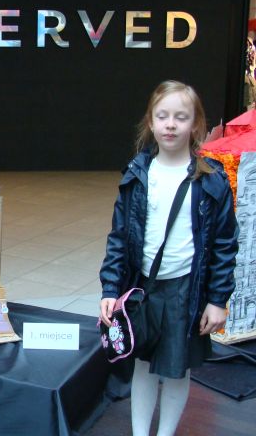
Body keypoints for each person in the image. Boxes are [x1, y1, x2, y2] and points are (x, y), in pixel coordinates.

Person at [99, 81, 238, 436]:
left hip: (185, 291)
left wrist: (217, 300)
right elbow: (119, 236)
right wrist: (110, 288)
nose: (171, 124)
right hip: (143, 287)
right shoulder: (137, 174)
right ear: (151, 121)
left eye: (181, 117)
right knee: (143, 366)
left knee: (176, 369)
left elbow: (225, 244)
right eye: (162, 116)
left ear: (196, 124)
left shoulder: (211, 181)